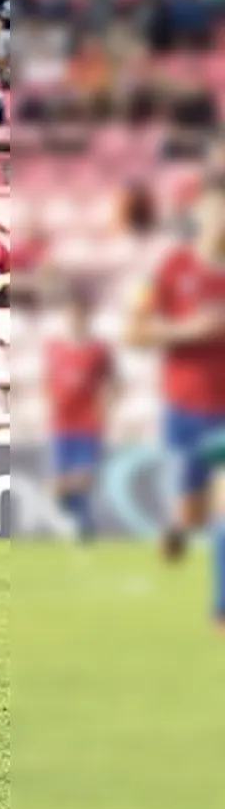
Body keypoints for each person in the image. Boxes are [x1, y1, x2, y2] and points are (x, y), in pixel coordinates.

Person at [125, 187, 225, 585]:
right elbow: (134, 332)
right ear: (200, 219)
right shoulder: (172, 268)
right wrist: (188, 329)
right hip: (186, 409)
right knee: (194, 511)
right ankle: (180, 527)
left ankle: (220, 609)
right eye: (216, 213)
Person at [45, 295, 113, 544]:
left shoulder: (98, 351)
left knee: (84, 479)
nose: (76, 319)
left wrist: (106, 409)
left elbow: (113, 382)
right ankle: (83, 533)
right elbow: (48, 381)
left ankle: (82, 532)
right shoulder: (55, 348)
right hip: (61, 425)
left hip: (88, 424)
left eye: (80, 314)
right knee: (68, 497)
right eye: (72, 314)